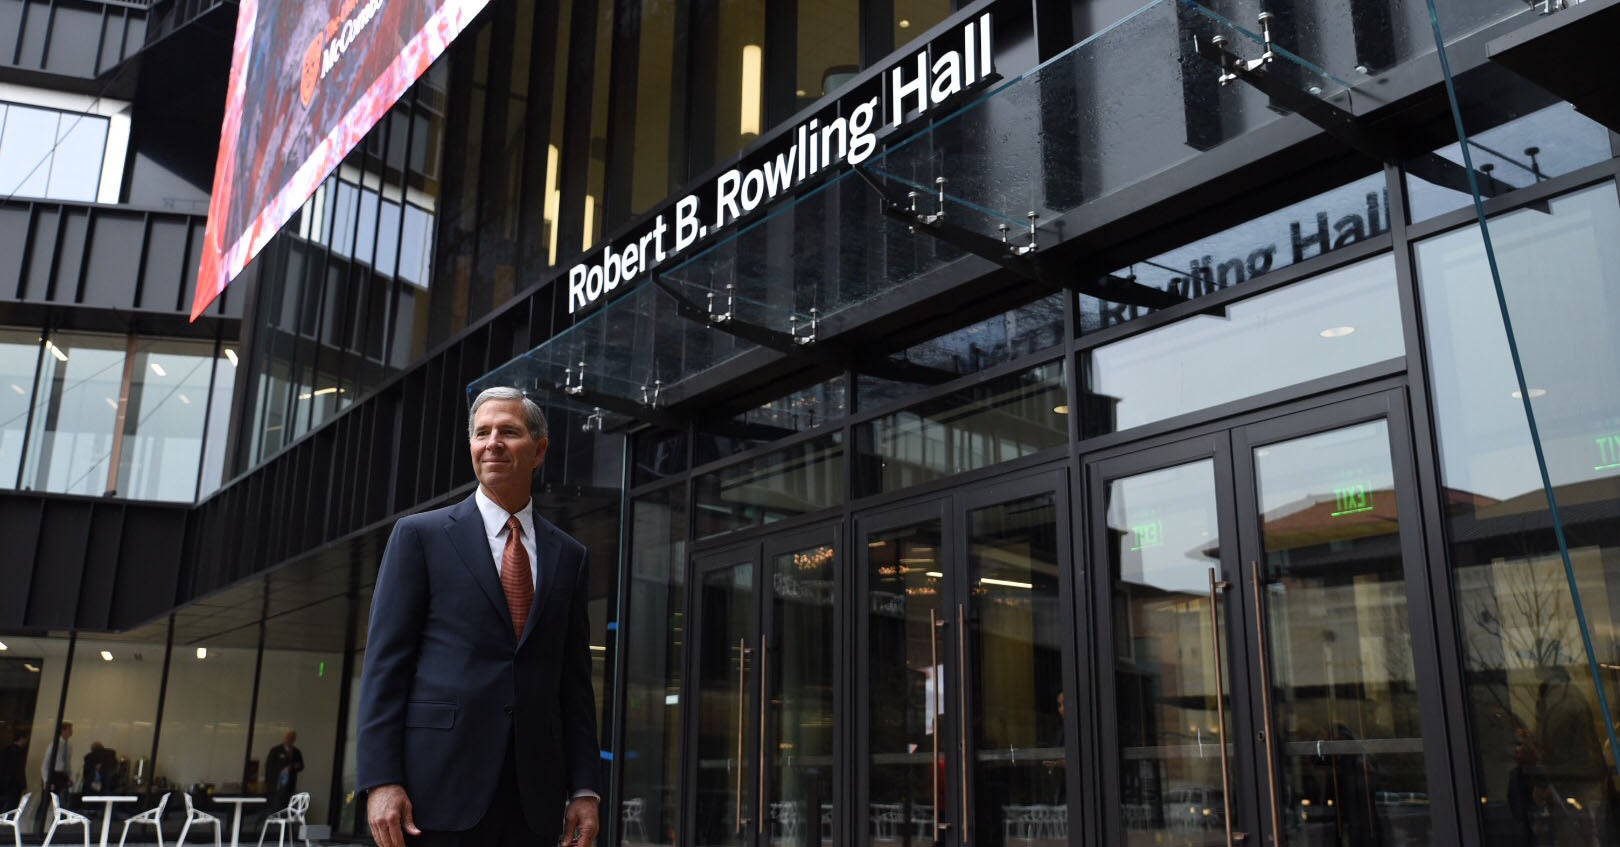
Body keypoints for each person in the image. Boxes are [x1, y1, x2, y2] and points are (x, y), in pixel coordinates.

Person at [358, 387, 601, 847]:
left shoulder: (569, 555)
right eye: (482, 433)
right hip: (436, 791)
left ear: (539, 451)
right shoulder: (419, 537)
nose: (493, 443)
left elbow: (574, 686)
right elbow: (385, 667)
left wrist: (585, 788)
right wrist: (381, 779)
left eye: (508, 431)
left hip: (534, 799)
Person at [38, 722, 71, 828]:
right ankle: (39, 821)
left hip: (62, 775)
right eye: (69, 729)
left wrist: (68, 776)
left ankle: (58, 822)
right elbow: (46, 762)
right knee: (46, 800)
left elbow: (67, 762)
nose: (71, 732)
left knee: (60, 799)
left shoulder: (68, 746)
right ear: (62, 730)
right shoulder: (54, 744)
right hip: (53, 774)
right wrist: (46, 779)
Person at [266, 731, 305, 810]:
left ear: (294, 739)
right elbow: (269, 766)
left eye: (292, 738)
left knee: (287, 804)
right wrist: (268, 781)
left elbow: (301, 766)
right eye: (288, 737)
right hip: (277, 783)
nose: (289, 739)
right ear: (285, 738)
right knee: (276, 804)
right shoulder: (276, 750)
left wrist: (295, 766)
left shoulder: (296, 752)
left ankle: (285, 816)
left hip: (290, 784)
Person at [0, 732, 26, 814]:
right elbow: (19, 769)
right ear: (21, 739)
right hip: (13, 783)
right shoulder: (18, 752)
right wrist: (23, 784)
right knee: (12, 805)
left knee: (3, 802)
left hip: (3, 780)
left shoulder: (6, 749)